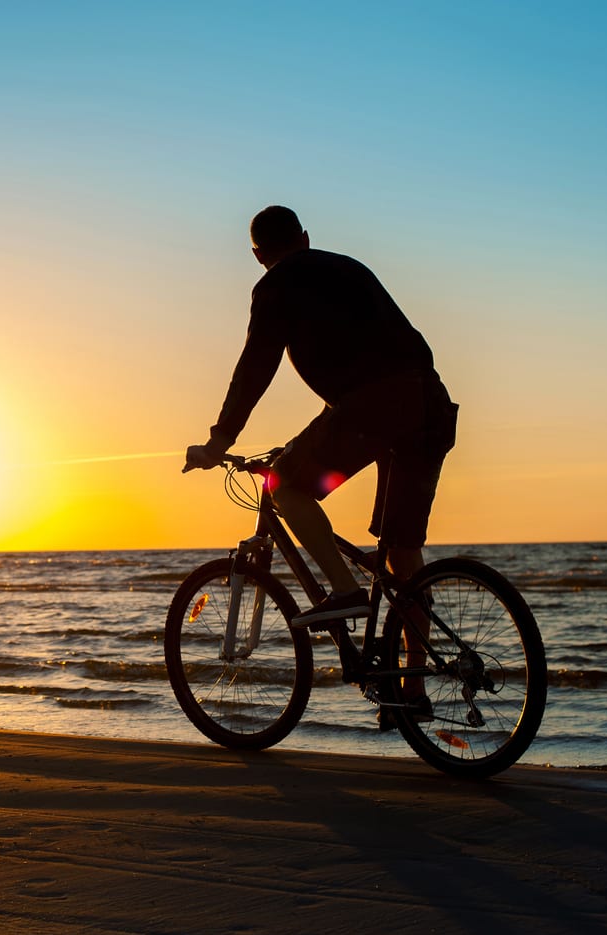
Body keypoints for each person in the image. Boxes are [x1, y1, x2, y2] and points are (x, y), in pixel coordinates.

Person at [184, 206, 457, 720]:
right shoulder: (349, 266)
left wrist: (218, 442)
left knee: (284, 484)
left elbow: (254, 369)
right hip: (429, 407)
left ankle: (346, 590)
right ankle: (411, 689)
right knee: (402, 552)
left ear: (259, 255)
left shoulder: (276, 285)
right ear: (306, 238)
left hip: (373, 408)